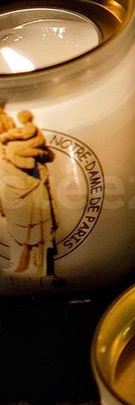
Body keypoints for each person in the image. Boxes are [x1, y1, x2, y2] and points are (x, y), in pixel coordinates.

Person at [0, 106, 56, 277]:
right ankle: (21, 266)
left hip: (32, 187)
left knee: (38, 231)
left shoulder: (17, 143)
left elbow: (42, 158)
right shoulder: (10, 146)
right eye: (5, 120)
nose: (9, 121)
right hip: (13, 191)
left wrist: (31, 153)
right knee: (17, 230)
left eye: (8, 119)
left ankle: (41, 269)